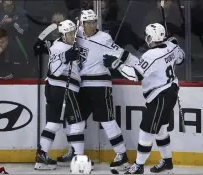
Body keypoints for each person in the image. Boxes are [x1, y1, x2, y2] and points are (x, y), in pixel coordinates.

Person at [103, 23, 185, 174]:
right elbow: (181, 59)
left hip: (161, 96)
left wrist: (117, 65)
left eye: (146, 35)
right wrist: (175, 44)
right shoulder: (171, 46)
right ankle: (167, 162)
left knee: (146, 131)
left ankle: (138, 166)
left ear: (150, 37)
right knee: (160, 129)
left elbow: (135, 75)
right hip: (169, 92)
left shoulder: (151, 55)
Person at [57, 9, 130, 170]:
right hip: (81, 85)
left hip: (100, 85)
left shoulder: (105, 38)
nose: (92, 25)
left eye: (94, 22)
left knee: (107, 121)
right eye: (88, 22)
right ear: (82, 23)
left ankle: (122, 155)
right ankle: (76, 155)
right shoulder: (77, 34)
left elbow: (120, 54)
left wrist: (120, 63)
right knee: (76, 121)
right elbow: (61, 38)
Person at [33, 20, 87, 170]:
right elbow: (54, 71)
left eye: (73, 33)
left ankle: (41, 156)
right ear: (63, 35)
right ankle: (79, 161)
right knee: (77, 123)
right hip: (64, 88)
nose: (72, 36)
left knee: (54, 123)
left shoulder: (63, 44)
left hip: (55, 88)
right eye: (69, 34)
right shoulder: (59, 47)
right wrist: (65, 58)